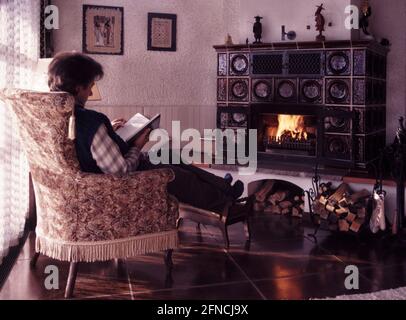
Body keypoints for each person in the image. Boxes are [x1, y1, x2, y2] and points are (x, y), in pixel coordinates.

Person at [47, 52, 245, 212]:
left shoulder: (53, 114)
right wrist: (137, 145)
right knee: (177, 176)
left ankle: (224, 188)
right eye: (89, 87)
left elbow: (87, 145)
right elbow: (120, 171)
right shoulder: (89, 121)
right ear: (77, 87)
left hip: (96, 173)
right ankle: (226, 206)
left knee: (167, 154)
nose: (91, 93)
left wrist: (110, 132)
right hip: (116, 183)